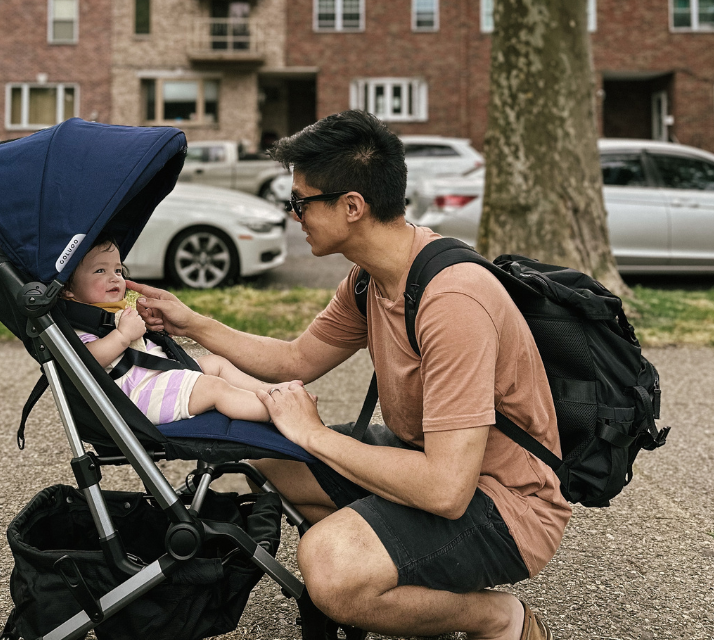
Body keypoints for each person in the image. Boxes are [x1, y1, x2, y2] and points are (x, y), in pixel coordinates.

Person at [131, 111, 570, 640]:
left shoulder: (452, 301)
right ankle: (383, 572)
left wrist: (314, 434)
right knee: (274, 456)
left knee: (331, 569)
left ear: (352, 206)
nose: (294, 214)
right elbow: (295, 360)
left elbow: (447, 490)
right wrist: (193, 322)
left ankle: (501, 619)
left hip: (505, 504)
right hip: (427, 463)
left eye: (300, 202)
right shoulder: (370, 280)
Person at [62, 237, 304, 425]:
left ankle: (272, 392)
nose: (114, 278)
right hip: (139, 396)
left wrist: (147, 326)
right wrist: (123, 335)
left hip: (157, 376)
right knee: (214, 388)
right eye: (99, 271)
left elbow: (142, 347)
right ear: (68, 290)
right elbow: (84, 361)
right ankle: (279, 412)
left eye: (117, 270)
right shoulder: (80, 326)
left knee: (216, 364)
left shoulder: (113, 311)